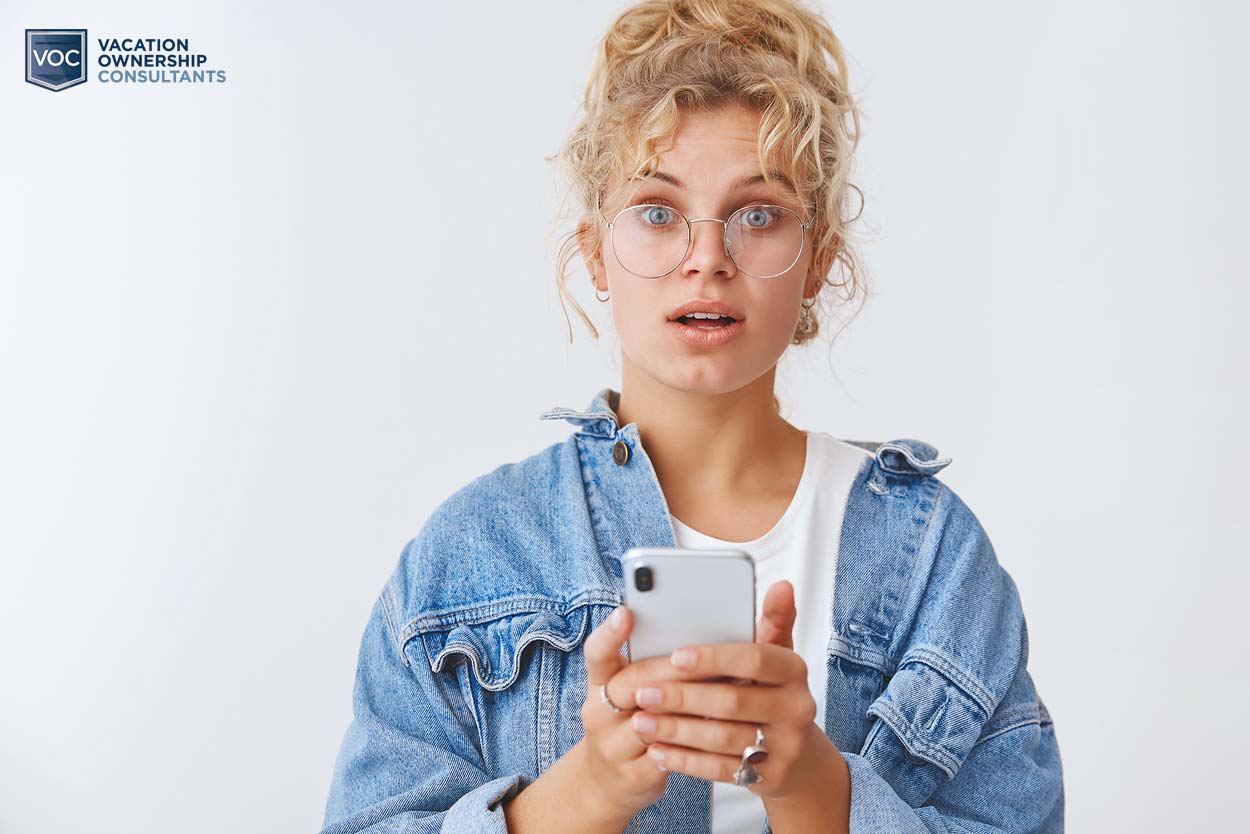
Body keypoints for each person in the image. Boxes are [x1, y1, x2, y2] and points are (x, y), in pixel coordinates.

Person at [318, 1, 1065, 832]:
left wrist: (813, 788)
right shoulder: (471, 556)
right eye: (657, 211)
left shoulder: (935, 562)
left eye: (759, 215)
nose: (706, 258)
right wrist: (592, 790)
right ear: (596, 250)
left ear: (817, 261)